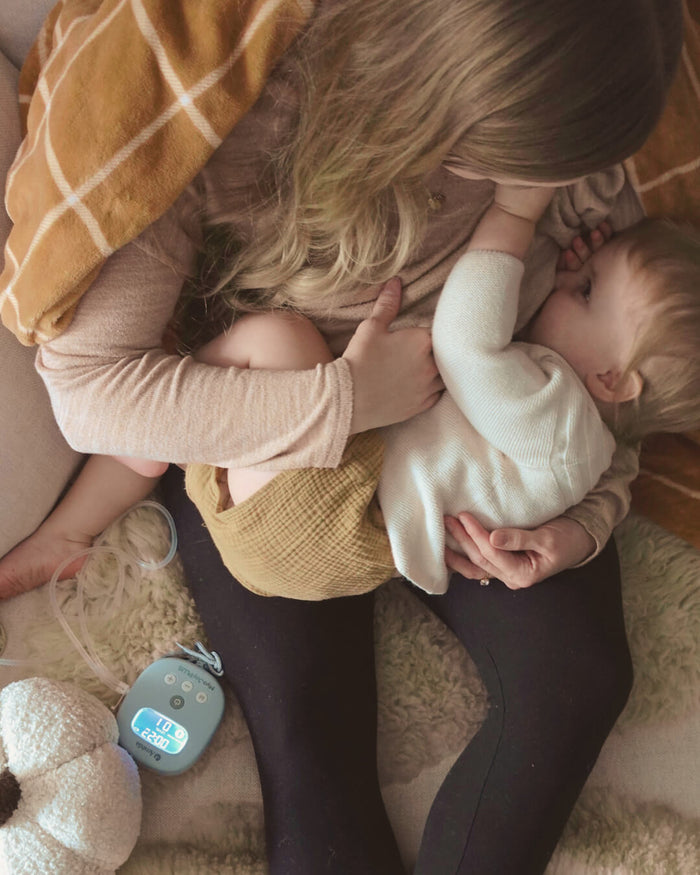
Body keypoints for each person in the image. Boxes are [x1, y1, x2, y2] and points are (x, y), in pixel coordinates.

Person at [0, 0, 685, 873]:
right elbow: (94, 394)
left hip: (475, 462)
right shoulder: (231, 106)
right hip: (284, 435)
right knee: (312, 751)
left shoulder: (580, 118)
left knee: (578, 680)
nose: (543, 182)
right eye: (524, 162)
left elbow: (616, 390)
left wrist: (578, 527)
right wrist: (343, 400)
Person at [7, 191, 700, 605]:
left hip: (323, 507)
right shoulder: (597, 450)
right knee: (271, 385)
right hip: (332, 548)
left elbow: (466, 342)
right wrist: (578, 536)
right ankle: (73, 528)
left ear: (613, 379)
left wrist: (516, 214)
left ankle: (154, 423)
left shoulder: (554, 411)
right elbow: (615, 484)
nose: (569, 270)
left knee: (284, 346)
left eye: (586, 289)